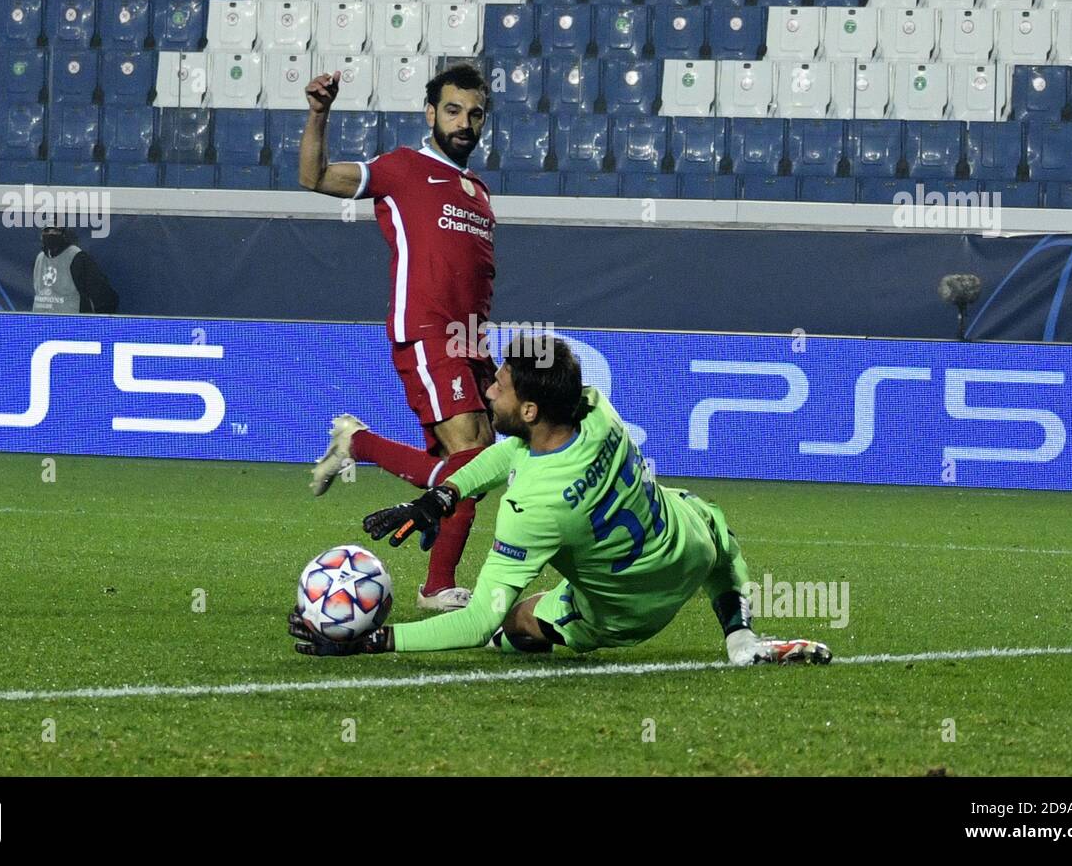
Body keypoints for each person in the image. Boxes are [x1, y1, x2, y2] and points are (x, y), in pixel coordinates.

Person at [287, 335, 835, 666]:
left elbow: (477, 621)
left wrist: (373, 641)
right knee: (708, 519)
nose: (489, 392)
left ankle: (553, 626)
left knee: (516, 623)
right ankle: (740, 638)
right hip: (687, 550)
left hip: (629, 612)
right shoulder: (595, 408)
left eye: (500, 386)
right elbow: (511, 456)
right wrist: (444, 495)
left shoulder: (533, 508)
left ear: (529, 412)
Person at [298, 63, 496, 611]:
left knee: (469, 475)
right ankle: (436, 588)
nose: (464, 122)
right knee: (473, 460)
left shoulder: (477, 191)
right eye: (453, 111)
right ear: (431, 114)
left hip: (472, 343)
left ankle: (356, 443)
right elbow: (314, 177)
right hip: (429, 334)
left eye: (475, 114)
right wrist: (319, 113)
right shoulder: (403, 168)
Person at [31, 225, 119, 314]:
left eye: (55, 231)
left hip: (72, 323)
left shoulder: (78, 258)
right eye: (47, 231)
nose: (50, 235)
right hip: (40, 322)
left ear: (64, 234)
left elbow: (103, 294)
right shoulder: (39, 258)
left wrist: (98, 323)